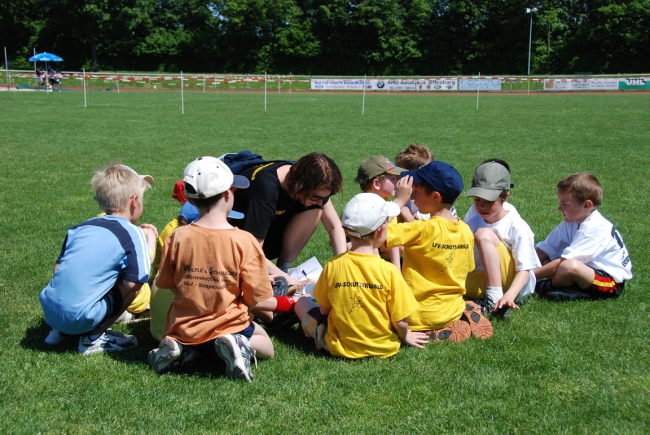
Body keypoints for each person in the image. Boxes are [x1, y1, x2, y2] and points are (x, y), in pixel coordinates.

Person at [148, 157, 274, 381]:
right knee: (266, 345)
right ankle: (237, 343)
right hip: (229, 326)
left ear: (192, 200)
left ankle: (183, 351)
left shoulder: (177, 236)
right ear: (227, 195)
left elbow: (166, 283)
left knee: (196, 342)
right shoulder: (244, 240)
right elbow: (257, 297)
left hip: (183, 328)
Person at [40, 164, 157, 355]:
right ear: (134, 202)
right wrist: (150, 239)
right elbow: (136, 280)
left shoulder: (80, 228)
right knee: (133, 287)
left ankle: (59, 332)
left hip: (50, 312)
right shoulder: (132, 233)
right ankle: (92, 339)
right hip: (82, 316)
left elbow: (58, 268)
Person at [294, 193, 428, 358]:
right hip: (383, 347)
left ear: (345, 230)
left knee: (300, 302)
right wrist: (405, 335)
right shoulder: (390, 271)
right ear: (380, 230)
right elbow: (400, 321)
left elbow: (323, 310)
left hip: (340, 346)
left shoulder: (333, 265)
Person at [388, 161, 493, 341]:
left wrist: (398, 202)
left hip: (417, 315)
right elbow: (467, 268)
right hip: (450, 309)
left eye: (416, 193)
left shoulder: (421, 229)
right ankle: (462, 313)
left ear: (435, 197)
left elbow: (378, 236)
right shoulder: (465, 230)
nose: (412, 198)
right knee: (456, 303)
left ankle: (429, 333)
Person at [232, 152, 347, 287]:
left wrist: (343, 267)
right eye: (315, 197)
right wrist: (293, 283)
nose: (320, 201)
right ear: (300, 185)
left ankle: (283, 268)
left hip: (269, 234)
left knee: (316, 210)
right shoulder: (266, 190)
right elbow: (252, 253)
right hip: (239, 247)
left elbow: (335, 227)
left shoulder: (304, 178)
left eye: (325, 197)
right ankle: (283, 278)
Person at [534, 173, 632, 300]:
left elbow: (563, 264)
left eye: (565, 204)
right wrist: (523, 268)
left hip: (609, 281)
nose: (559, 208)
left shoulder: (595, 228)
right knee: (545, 260)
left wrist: (529, 277)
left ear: (586, 205)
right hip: (586, 269)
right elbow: (545, 249)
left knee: (569, 267)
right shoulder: (571, 221)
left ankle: (544, 286)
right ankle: (572, 289)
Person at [464, 161, 541, 317]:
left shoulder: (517, 226)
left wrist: (510, 295)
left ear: (505, 196)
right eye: (477, 200)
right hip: (481, 278)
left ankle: (494, 297)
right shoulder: (472, 222)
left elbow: (525, 270)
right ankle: (473, 302)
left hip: (511, 285)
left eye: (489, 201)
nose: (482, 206)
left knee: (483, 234)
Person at [354, 155, 405, 269]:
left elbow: (393, 239)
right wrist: (377, 269)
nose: (397, 181)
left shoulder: (388, 202)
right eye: (392, 179)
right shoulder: (366, 207)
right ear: (376, 184)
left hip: (377, 245)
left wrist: (397, 271)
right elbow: (371, 244)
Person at [394, 143, 458, 221]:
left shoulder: (428, 199)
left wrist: (405, 212)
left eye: (399, 174)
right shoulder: (411, 191)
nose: (395, 177)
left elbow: (420, 228)